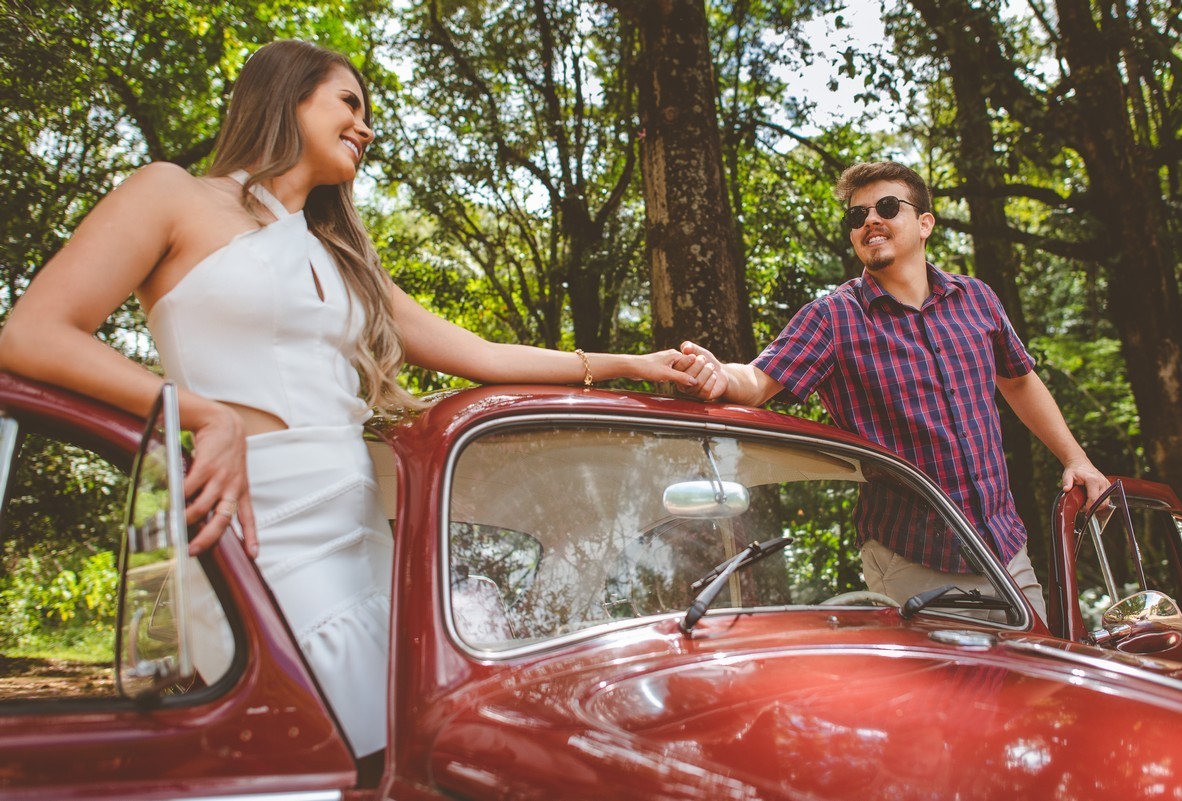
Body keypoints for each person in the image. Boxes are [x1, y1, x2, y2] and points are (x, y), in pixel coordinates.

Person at [0, 40, 695, 763]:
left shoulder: (344, 258)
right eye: (350, 102)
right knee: (300, 749)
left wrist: (623, 364)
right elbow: (33, 335)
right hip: (253, 524)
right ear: (287, 95)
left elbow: (483, 355)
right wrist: (205, 414)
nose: (366, 126)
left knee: (402, 756)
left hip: (364, 533)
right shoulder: (171, 194)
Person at [673, 161, 1108, 623]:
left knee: (1035, 680)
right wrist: (721, 375)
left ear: (925, 224)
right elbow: (759, 381)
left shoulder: (978, 298)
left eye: (885, 207)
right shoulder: (834, 318)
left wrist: (1075, 458)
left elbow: (1019, 380)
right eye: (857, 216)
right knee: (948, 696)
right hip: (914, 561)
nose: (870, 222)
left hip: (1005, 547)